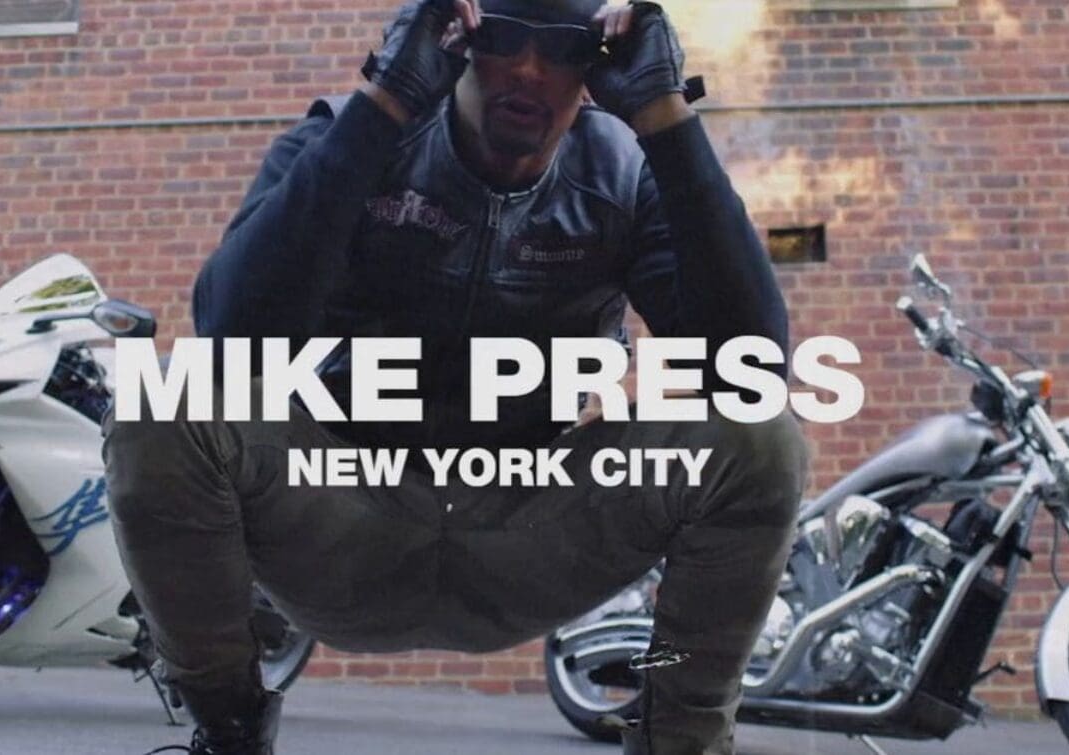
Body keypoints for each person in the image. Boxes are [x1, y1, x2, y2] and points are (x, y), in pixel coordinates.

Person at [103, 1, 810, 752]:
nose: (531, 70)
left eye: (562, 47)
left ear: (596, 62)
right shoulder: (351, 133)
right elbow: (230, 340)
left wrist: (665, 116)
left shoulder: (624, 177)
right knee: (165, 398)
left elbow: (752, 371)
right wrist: (386, 100)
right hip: (340, 514)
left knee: (761, 439)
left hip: (527, 529)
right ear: (461, 36)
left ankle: (681, 742)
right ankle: (229, 727)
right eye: (506, 36)